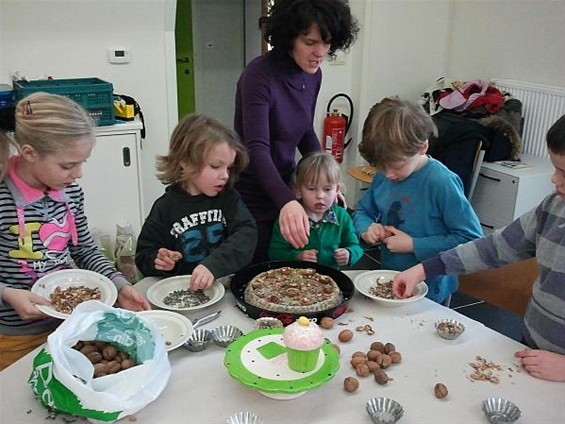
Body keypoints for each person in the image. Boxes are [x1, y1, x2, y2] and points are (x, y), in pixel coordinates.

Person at [392, 114, 565, 382]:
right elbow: (495, 248)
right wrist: (426, 268)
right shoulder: (553, 208)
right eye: (556, 168)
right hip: (531, 354)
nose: (555, 180)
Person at [0, 92, 150, 371]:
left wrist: (119, 285)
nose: (78, 174)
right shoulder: (4, 199)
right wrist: (7, 293)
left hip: (66, 323)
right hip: (13, 335)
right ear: (29, 153)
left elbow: (84, 249)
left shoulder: (69, 191)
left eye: (82, 162)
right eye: (68, 165)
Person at [234, 0, 359, 262]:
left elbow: (304, 131)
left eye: (326, 43)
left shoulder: (313, 74)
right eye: (310, 42)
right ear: (288, 37)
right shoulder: (258, 75)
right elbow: (256, 147)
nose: (320, 52)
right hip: (254, 193)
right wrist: (286, 202)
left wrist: (328, 178)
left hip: (289, 187)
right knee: (260, 271)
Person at [352, 97, 483, 304]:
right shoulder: (385, 174)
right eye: (380, 166)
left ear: (423, 147)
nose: (388, 175)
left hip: (432, 288)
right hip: (390, 278)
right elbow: (363, 212)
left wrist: (414, 245)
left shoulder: (441, 182)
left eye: (396, 166)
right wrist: (367, 228)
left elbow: (470, 238)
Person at [135, 114, 257, 291]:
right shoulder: (165, 207)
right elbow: (144, 255)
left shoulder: (227, 197)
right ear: (185, 162)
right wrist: (161, 261)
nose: (225, 175)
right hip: (185, 295)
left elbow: (247, 234)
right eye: (216, 166)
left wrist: (213, 265)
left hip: (226, 289)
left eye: (228, 167)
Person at [269, 151, 363, 269]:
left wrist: (349, 254)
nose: (320, 195)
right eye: (312, 189)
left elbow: (355, 246)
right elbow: (275, 252)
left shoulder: (342, 216)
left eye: (328, 189)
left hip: (332, 280)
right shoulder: (290, 218)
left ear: (337, 190)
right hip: (297, 280)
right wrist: (297, 256)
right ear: (298, 190)